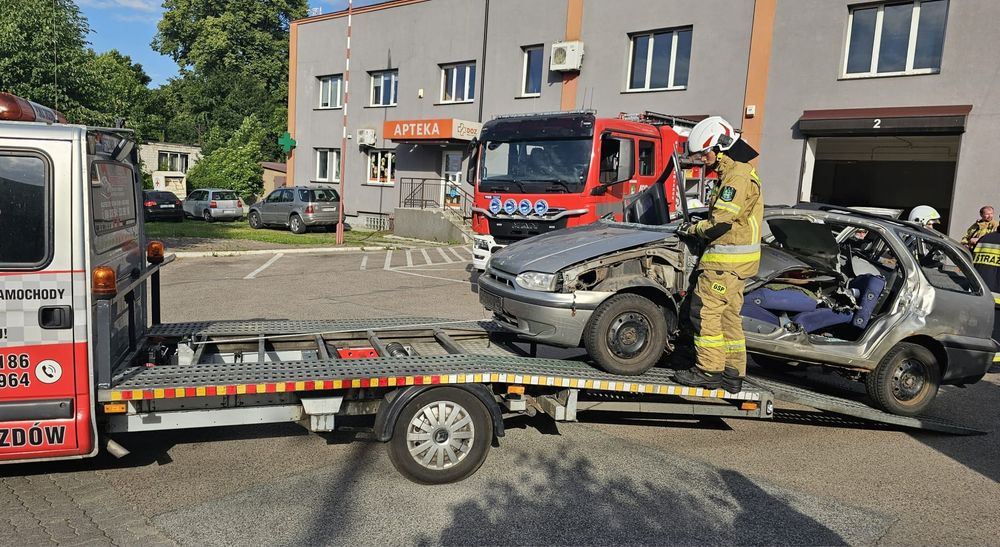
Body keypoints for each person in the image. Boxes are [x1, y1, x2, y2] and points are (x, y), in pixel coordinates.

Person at [674, 116, 763, 394]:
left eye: (705, 152)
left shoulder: (735, 175)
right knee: (728, 318)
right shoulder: (738, 172)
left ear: (722, 146)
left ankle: (708, 370)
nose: (703, 159)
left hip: (725, 263)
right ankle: (732, 372)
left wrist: (693, 228)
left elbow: (722, 220)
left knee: (706, 312)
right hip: (736, 264)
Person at [972, 228, 1000, 352]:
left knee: (980, 333)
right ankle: (995, 363)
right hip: (998, 301)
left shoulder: (985, 239)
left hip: (980, 296)